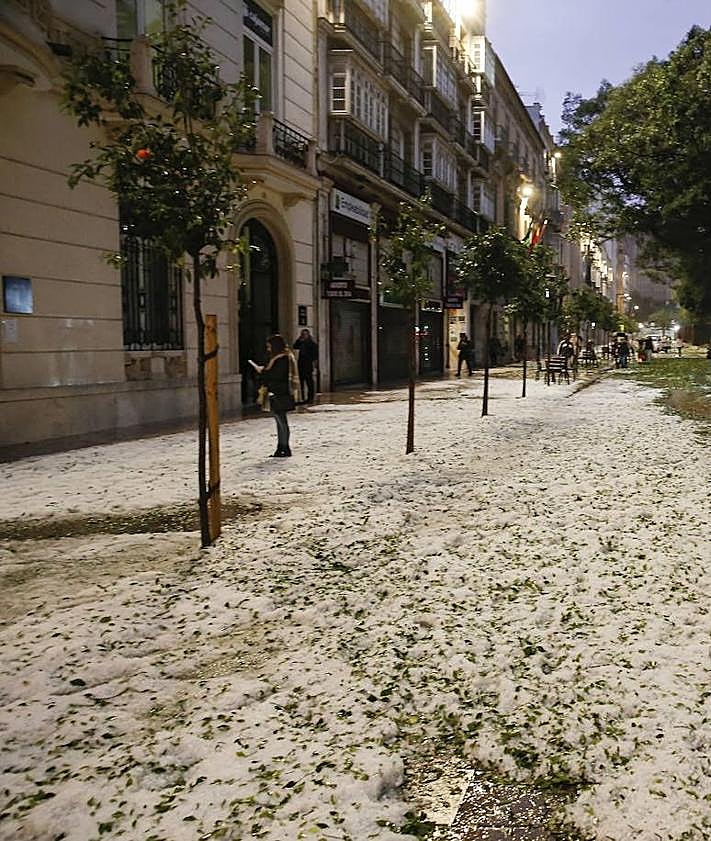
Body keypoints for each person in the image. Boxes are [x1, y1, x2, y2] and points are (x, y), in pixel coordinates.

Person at [253, 334, 297, 457]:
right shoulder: (281, 357)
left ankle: (285, 447)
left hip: (280, 392)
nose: (268, 349)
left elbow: (276, 375)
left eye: (269, 346)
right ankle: (281, 447)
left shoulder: (282, 358)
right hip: (278, 392)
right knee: (279, 420)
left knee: (281, 421)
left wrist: (262, 371)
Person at [293, 328, 319, 403]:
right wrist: (299, 339)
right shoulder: (301, 342)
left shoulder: (312, 344)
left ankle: (310, 397)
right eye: (302, 334)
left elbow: (315, 355)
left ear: (308, 335)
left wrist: (314, 363)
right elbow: (295, 346)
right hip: (301, 364)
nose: (303, 336)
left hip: (308, 365)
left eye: (305, 334)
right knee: (301, 382)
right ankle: (302, 397)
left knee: (309, 382)